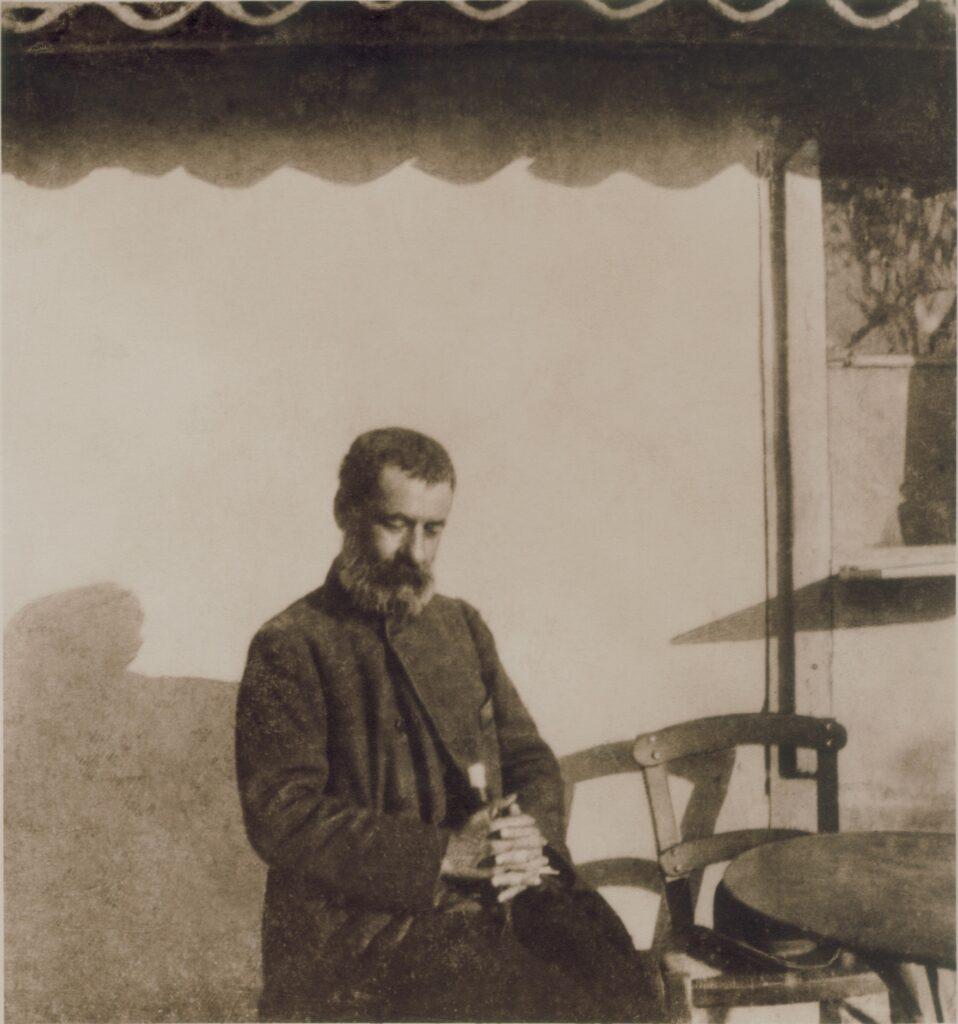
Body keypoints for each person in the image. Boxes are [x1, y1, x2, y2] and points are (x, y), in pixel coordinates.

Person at [235, 427, 664, 1022]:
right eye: (395, 524)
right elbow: (281, 817)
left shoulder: (462, 627)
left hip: (490, 900)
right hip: (361, 936)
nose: (415, 553)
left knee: (613, 966)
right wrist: (444, 853)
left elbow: (530, 760)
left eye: (432, 529)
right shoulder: (290, 644)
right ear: (344, 512)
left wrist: (526, 837)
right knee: (519, 992)